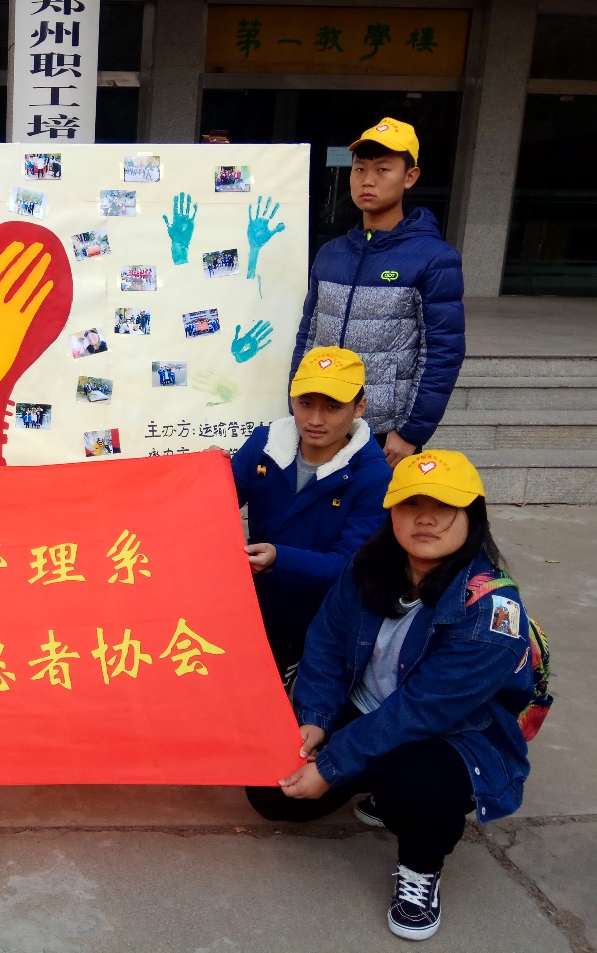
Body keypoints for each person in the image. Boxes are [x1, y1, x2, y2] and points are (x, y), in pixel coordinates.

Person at [248, 451, 534, 942]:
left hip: (449, 734)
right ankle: (378, 782)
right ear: (391, 512)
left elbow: (422, 710)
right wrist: (314, 719)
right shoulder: (369, 566)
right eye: (410, 504)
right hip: (367, 710)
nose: (425, 519)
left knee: (417, 788)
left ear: (474, 515)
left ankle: (421, 870)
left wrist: (331, 765)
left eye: (444, 506)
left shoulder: (492, 610)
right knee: (271, 793)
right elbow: (326, 641)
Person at [291, 117, 465, 468]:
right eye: (359, 169)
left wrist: (412, 432)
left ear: (410, 177)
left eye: (383, 169)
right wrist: (297, 405)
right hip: (323, 423)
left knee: (376, 507)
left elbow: (443, 352)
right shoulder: (331, 254)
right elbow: (308, 336)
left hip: (385, 434)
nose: (367, 180)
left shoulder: (434, 258)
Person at [230, 347, 392, 689]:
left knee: (289, 696)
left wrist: (280, 558)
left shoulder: (374, 476)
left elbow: (351, 566)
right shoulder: (264, 444)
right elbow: (218, 502)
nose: (315, 420)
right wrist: (204, 478)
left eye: (332, 407)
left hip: (322, 617)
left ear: (359, 407)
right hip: (253, 602)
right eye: (305, 403)